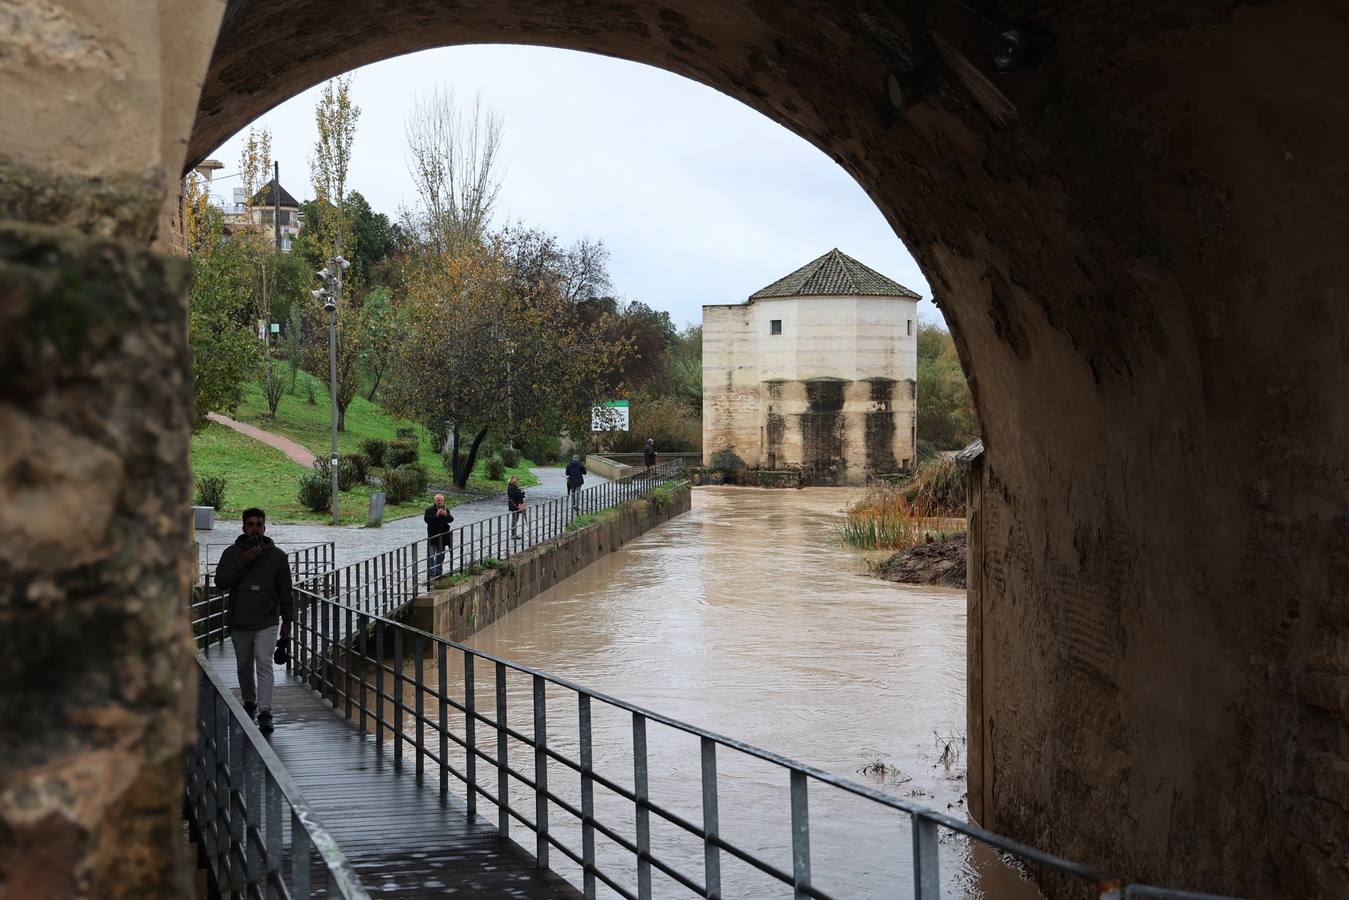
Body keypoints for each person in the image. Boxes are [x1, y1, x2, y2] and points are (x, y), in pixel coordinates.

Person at [214, 508, 293, 734]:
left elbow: (285, 591)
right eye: (251, 525)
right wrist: (244, 560)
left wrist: (287, 623)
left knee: (264, 662)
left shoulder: (277, 556)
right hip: (239, 621)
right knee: (244, 665)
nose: (255, 529)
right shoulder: (231, 554)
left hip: (267, 620)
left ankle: (266, 712)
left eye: (259, 524)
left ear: (265, 528)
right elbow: (221, 582)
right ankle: (250, 701)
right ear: (243, 528)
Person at [423, 493, 455, 579]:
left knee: (441, 555)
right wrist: (436, 515)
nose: (440, 501)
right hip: (433, 536)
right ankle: (432, 572)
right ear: (435, 501)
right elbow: (427, 519)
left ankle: (438, 571)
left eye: (441, 500)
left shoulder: (446, 510)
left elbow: (451, 519)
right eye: (438, 500)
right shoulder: (429, 510)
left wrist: (446, 515)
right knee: (430, 555)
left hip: (443, 537)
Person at [507, 476, 527, 541]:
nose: (516, 481)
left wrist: (521, 493)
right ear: (512, 480)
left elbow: (521, 494)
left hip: (516, 506)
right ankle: (513, 535)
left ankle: (514, 534)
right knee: (514, 520)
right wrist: (521, 493)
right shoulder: (512, 488)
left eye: (517, 480)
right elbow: (520, 495)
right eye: (515, 480)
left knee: (515, 520)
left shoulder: (514, 487)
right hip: (514, 506)